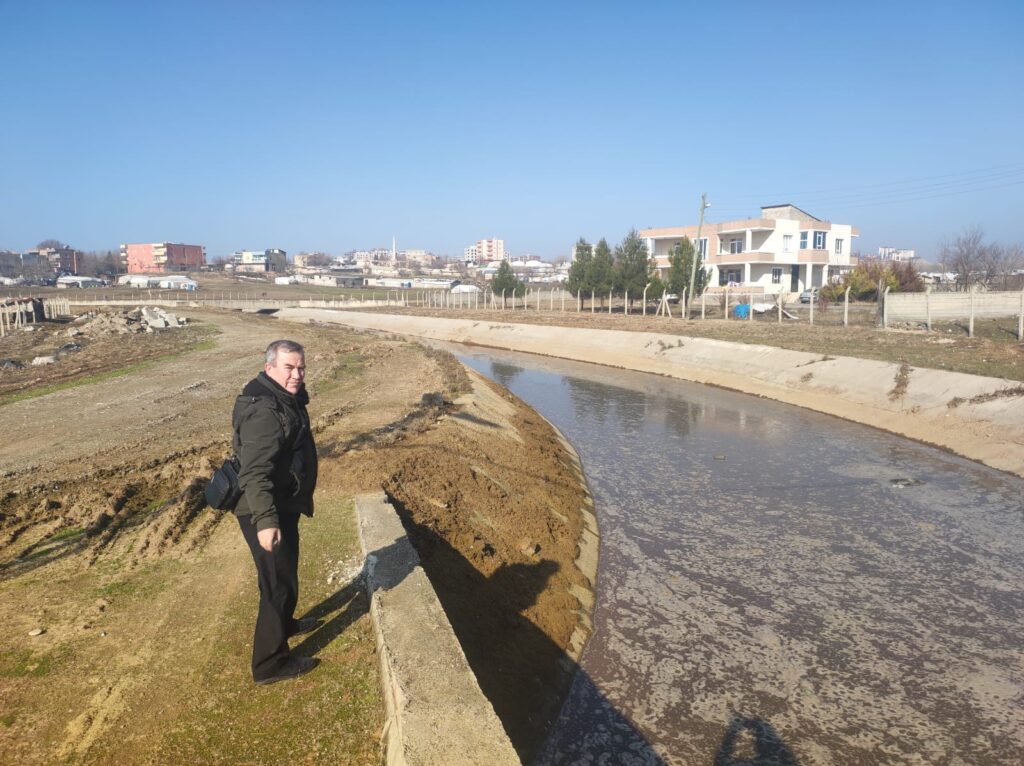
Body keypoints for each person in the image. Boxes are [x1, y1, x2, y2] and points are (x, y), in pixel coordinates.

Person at [233, 339, 321, 685]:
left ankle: (286, 624)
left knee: (285, 574)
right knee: (275, 584)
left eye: (301, 368)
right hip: (263, 509)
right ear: (269, 367)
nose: (297, 375)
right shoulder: (264, 412)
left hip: (282, 503)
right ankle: (270, 664)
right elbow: (254, 473)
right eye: (289, 368)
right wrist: (266, 523)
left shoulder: (286, 399)